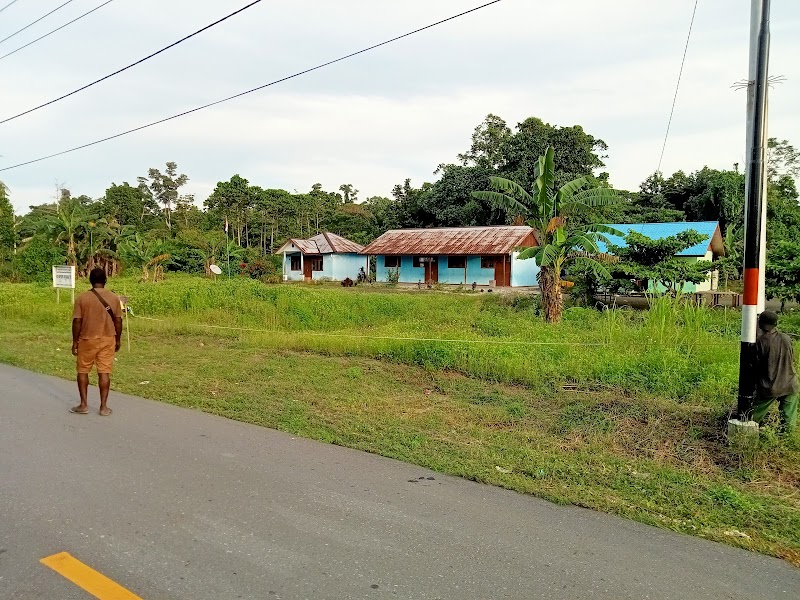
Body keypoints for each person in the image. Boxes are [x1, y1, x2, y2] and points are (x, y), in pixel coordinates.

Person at [70, 268, 123, 416]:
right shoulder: (113, 298)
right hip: (108, 339)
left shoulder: (82, 298)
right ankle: (104, 407)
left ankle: (83, 404)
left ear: (90, 281)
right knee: (104, 372)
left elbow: (77, 322)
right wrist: (117, 339)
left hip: (87, 339)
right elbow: (118, 321)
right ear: (105, 280)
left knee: (83, 370)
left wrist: (75, 342)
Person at [750, 310, 798, 434]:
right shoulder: (786, 338)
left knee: (751, 417)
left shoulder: (761, 341)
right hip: (790, 383)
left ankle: (748, 434)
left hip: (770, 386)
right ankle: (787, 441)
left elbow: (756, 366)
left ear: (760, 324)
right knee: (788, 422)